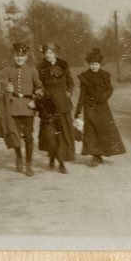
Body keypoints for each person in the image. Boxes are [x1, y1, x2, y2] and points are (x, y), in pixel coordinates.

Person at [0, 43, 43, 176]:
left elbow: (39, 86)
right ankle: (19, 157)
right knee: (14, 136)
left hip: (28, 107)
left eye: (22, 56)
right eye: (17, 56)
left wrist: (36, 99)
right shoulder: (7, 69)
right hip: (13, 107)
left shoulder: (32, 70)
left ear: (26, 57)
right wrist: (4, 88)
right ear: (13, 56)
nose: (19, 58)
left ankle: (29, 164)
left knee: (28, 137)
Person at [74, 48, 126, 166]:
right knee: (91, 131)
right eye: (92, 64)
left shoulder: (105, 76)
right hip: (89, 107)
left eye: (96, 64)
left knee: (104, 130)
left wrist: (104, 97)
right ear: (89, 64)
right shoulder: (84, 77)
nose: (94, 67)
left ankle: (101, 154)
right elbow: (82, 95)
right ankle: (94, 157)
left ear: (99, 64)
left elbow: (110, 89)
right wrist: (77, 111)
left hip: (103, 107)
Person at [36, 43, 75, 174]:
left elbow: (71, 82)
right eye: (46, 52)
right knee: (50, 136)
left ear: (55, 53)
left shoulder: (63, 65)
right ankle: (52, 155)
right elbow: (37, 84)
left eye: (51, 52)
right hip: (47, 105)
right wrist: (39, 92)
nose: (48, 55)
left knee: (62, 135)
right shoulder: (40, 67)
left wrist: (69, 92)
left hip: (62, 105)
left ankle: (61, 163)